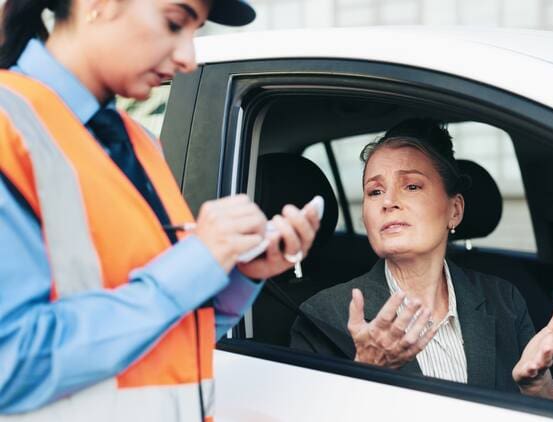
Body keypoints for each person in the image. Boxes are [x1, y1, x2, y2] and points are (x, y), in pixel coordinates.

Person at [0, 0, 320, 419]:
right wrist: (196, 261)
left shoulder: (140, 144)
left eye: (196, 31)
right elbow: (11, 366)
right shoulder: (9, 130)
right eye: (175, 23)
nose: (188, 58)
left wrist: (239, 275)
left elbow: (163, 340)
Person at [290, 118, 553, 402]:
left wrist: (540, 390)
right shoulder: (323, 318)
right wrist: (368, 371)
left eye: (411, 186)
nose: (388, 201)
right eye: (374, 191)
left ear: (455, 210)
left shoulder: (504, 301)